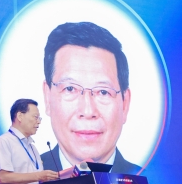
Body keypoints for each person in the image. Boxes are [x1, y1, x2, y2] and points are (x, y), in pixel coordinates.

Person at [40, 22, 141, 174]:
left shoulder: (154, 183)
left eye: (103, 92)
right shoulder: (20, 181)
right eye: (70, 89)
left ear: (124, 104)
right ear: (48, 98)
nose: (88, 111)